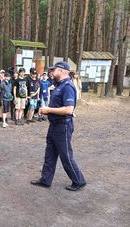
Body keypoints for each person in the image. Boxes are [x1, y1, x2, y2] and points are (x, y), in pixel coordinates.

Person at [31, 61, 86, 191]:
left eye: (53, 70)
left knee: (65, 155)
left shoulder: (67, 86)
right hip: (54, 125)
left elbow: (68, 110)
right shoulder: (59, 85)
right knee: (49, 153)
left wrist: (48, 110)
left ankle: (79, 180)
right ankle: (45, 180)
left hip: (63, 126)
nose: (51, 72)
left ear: (61, 71)